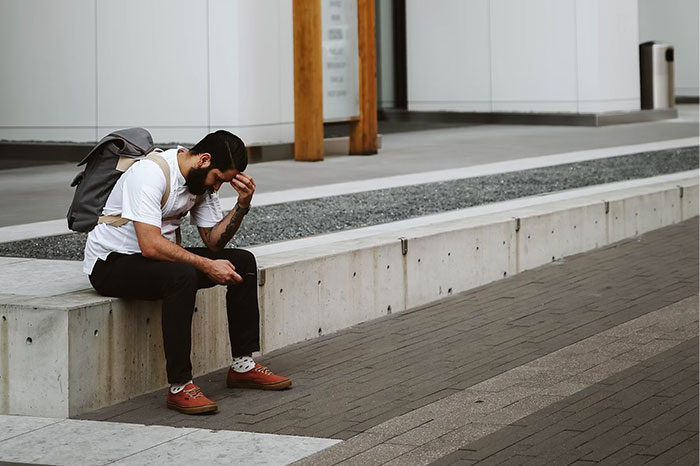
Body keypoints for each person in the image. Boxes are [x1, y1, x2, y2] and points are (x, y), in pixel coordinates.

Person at [83, 130, 290, 414]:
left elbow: (214, 242)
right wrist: (205, 265)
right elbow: (150, 246)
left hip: (152, 261)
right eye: (218, 179)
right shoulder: (151, 174)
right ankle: (180, 386)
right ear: (204, 160)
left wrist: (242, 205)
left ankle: (243, 365)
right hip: (111, 264)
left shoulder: (200, 184)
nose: (217, 187)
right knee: (183, 275)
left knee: (243, 262)